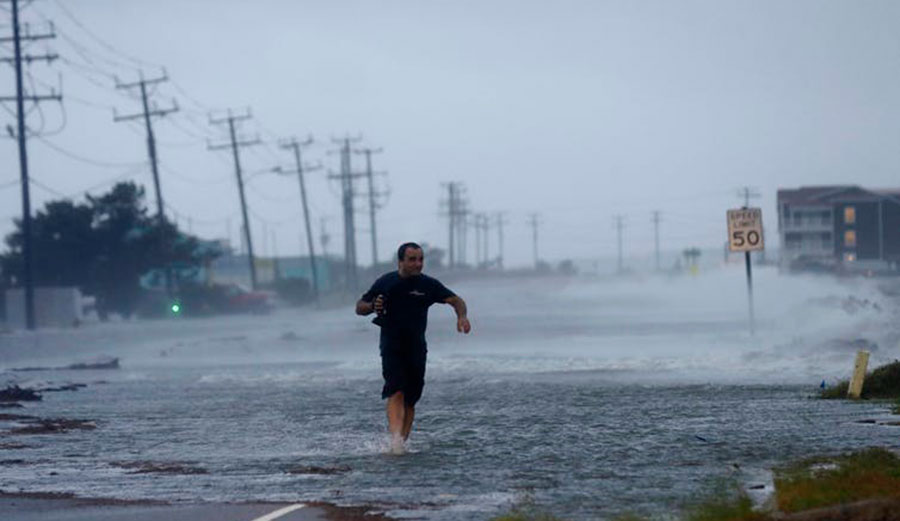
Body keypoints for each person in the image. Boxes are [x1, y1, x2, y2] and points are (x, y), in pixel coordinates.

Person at [356, 242, 471, 454]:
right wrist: (373, 306)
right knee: (395, 390)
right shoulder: (386, 282)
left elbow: (456, 300)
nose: (418, 264)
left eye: (420, 259)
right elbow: (360, 307)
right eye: (412, 259)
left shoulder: (428, 285)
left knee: (411, 398)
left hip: (417, 346)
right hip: (392, 344)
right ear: (400, 261)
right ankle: (395, 441)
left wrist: (462, 316)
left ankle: (401, 444)